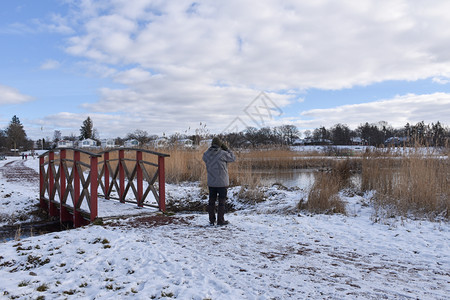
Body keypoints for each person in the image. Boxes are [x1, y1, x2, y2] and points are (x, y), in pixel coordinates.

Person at [202, 137, 236, 226]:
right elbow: (233, 158)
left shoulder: (206, 154)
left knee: (211, 202)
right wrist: (227, 148)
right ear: (220, 145)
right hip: (222, 183)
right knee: (221, 202)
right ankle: (220, 221)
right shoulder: (223, 153)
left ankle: (212, 220)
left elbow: (204, 157)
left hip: (211, 182)